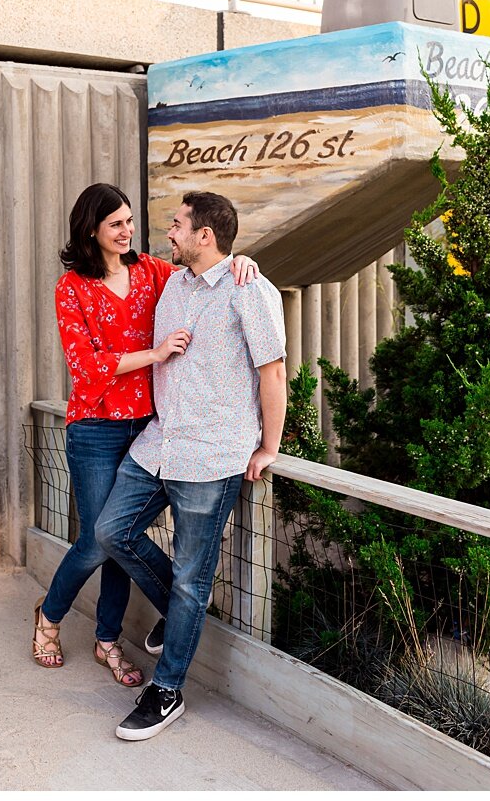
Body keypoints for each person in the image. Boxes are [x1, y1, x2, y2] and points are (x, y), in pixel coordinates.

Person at [33, 183, 256, 686]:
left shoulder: (152, 272)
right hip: (94, 427)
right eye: (116, 224)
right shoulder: (71, 288)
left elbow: (208, 268)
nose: (127, 231)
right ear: (91, 229)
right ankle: (49, 618)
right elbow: (86, 370)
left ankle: (107, 641)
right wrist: (155, 356)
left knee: (120, 537)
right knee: (97, 539)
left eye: (130, 221)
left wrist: (245, 263)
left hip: (146, 426)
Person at [95, 190, 286, 741]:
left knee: (191, 577)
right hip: (159, 445)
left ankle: (168, 688)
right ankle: (181, 613)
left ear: (205, 235)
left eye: (177, 224)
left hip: (213, 454)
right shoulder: (171, 282)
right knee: (112, 532)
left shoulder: (251, 290)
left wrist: (267, 446)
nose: (168, 232)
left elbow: (272, 373)